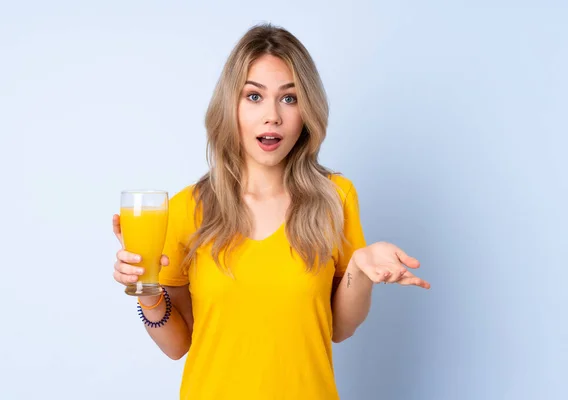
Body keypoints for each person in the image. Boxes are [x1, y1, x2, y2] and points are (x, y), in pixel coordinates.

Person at [112, 23, 430, 400]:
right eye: (254, 97)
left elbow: (340, 328)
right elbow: (177, 345)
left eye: (289, 99)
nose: (273, 116)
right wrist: (147, 293)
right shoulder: (188, 208)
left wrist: (359, 267)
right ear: (230, 106)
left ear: (306, 111)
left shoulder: (334, 197)